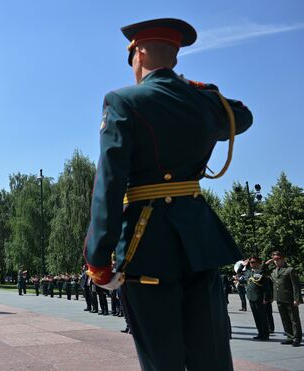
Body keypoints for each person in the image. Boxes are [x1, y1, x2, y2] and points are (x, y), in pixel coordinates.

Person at [82, 18, 253, 370]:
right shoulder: (203, 101)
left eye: (130, 58)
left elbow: (110, 185)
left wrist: (98, 260)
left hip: (147, 244)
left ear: (139, 52)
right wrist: (194, 88)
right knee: (212, 359)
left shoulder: (121, 102)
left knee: (162, 360)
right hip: (201, 241)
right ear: (175, 58)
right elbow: (243, 116)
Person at [267, 251, 302, 347]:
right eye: (274, 259)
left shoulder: (290, 270)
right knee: (284, 319)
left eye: (278, 259)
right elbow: (262, 272)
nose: (276, 261)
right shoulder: (274, 271)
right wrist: (266, 264)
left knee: (294, 319)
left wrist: (297, 298)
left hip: (290, 299)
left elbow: (296, 286)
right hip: (279, 299)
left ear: (283, 259)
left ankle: (297, 338)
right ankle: (289, 337)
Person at [240, 257, 272, 341]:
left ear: (258, 263)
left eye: (253, 262)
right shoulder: (248, 272)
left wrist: (266, 298)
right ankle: (260, 333)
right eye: (250, 262)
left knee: (262, 317)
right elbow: (239, 272)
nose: (251, 264)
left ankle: (265, 334)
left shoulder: (261, 272)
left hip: (259, 298)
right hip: (251, 297)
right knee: (256, 317)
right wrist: (243, 264)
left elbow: (266, 287)